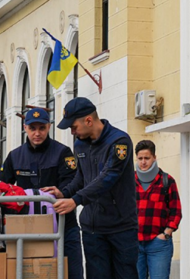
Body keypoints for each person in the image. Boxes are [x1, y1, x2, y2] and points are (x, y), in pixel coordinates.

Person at [41, 97, 137, 279]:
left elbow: (108, 178)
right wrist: (64, 193)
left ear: (88, 120)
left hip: (121, 228)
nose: (72, 132)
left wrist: (76, 200)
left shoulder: (120, 142)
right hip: (92, 229)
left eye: (73, 127)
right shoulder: (80, 144)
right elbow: (81, 177)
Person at [0, 107, 83, 279]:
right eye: (33, 128)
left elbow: (74, 182)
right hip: (28, 229)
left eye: (41, 128)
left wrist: (62, 191)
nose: (37, 133)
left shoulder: (63, 152)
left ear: (49, 127)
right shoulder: (15, 156)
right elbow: (1, 186)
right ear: (25, 127)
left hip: (64, 225)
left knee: (72, 273)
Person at [133, 140, 181, 279]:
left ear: (154, 157)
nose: (143, 162)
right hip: (134, 243)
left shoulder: (167, 180)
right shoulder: (129, 181)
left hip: (158, 244)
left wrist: (166, 234)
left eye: (147, 158)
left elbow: (176, 211)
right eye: (140, 158)